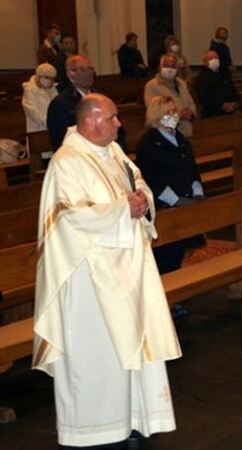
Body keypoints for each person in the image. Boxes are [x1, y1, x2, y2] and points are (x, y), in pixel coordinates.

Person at [33, 93, 181, 448]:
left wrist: (141, 200)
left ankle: (131, 422)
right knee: (98, 359)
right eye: (113, 118)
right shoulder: (67, 162)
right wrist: (121, 209)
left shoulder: (113, 151)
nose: (119, 124)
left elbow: (137, 181)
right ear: (90, 121)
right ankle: (95, 432)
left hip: (127, 272)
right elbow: (66, 218)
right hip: (90, 281)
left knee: (129, 353)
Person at [136, 96, 204, 273]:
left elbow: (192, 168)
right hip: (165, 205)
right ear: (156, 115)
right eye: (167, 112)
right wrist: (176, 200)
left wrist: (197, 191)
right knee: (167, 255)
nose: (173, 115)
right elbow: (151, 178)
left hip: (186, 198)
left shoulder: (181, 139)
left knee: (183, 249)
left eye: (174, 111)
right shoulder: (148, 143)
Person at [47, 55, 95, 149]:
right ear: (70, 75)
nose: (88, 73)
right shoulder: (60, 104)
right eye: (82, 70)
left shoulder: (100, 98)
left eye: (90, 69)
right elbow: (60, 140)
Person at [145, 54, 197, 137]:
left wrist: (191, 112)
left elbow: (191, 102)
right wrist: (178, 115)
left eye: (173, 66)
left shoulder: (182, 84)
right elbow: (154, 111)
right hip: (166, 133)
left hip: (186, 131)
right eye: (166, 66)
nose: (170, 69)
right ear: (160, 67)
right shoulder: (152, 86)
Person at [194, 50, 240, 118]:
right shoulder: (202, 77)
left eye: (216, 58)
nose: (214, 60)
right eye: (210, 59)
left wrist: (235, 102)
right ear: (205, 62)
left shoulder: (224, 73)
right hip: (212, 113)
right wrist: (221, 105)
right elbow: (203, 97)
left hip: (230, 110)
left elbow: (232, 89)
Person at [22, 63, 59, 133]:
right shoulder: (30, 90)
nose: (51, 81)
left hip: (53, 126)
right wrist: (49, 123)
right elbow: (33, 112)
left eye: (52, 78)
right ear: (39, 77)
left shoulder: (52, 88)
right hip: (37, 129)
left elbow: (57, 105)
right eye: (48, 78)